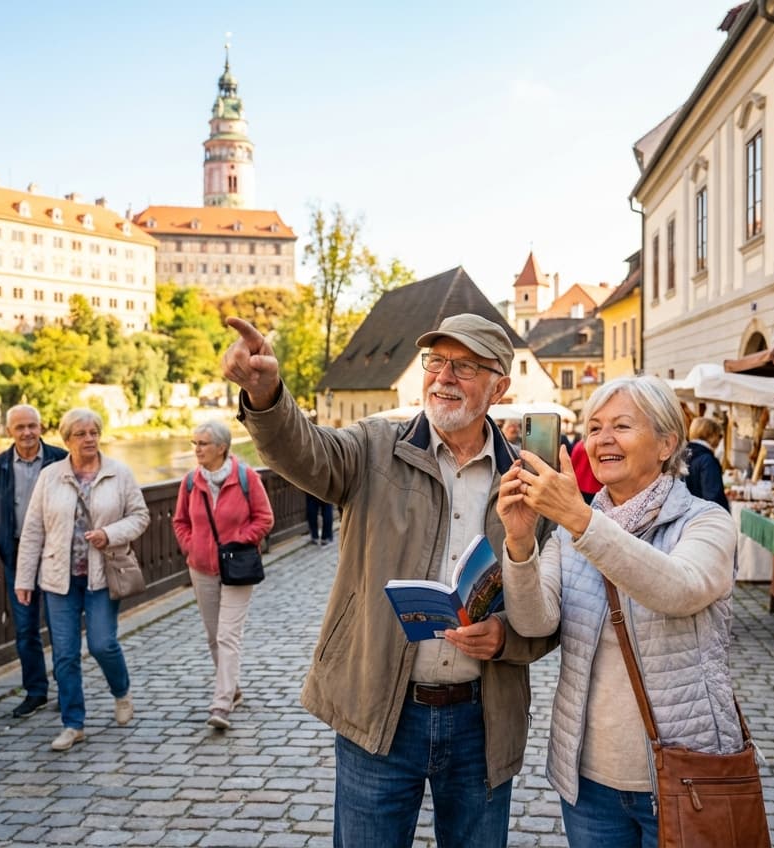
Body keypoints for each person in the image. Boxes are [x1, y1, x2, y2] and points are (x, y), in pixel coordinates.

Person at [221, 312, 556, 848]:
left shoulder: (530, 481)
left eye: (465, 366)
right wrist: (267, 397)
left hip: (482, 719)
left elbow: (553, 605)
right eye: (437, 361)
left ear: (500, 386)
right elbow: (303, 452)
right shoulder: (374, 446)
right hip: (380, 708)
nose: (444, 376)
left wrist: (508, 639)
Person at [497, 376, 744, 847]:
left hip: (685, 774)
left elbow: (678, 589)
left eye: (622, 426)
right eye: (593, 428)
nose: (602, 439)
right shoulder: (573, 533)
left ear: (667, 442)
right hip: (590, 784)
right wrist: (521, 541)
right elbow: (534, 622)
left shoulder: (705, 522)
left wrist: (581, 520)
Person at [15, 408, 149, 752]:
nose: (89, 439)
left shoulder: (119, 473)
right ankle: (73, 724)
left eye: (94, 432)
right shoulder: (50, 476)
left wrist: (110, 532)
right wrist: (24, 579)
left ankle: (121, 691)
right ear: (66, 440)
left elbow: (140, 516)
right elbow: (33, 530)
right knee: (64, 654)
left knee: (103, 643)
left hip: (102, 576)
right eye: (81, 434)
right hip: (58, 578)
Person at [173, 419, 274, 730]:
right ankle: (233, 689)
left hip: (238, 567)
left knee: (227, 635)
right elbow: (180, 521)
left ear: (221, 447)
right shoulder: (191, 482)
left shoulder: (246, 478)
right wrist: (193, 548)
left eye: (203, 443)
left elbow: (265, 518)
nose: (197, 449)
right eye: (195, 443)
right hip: (201, 569)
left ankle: (221, 705)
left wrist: (238, 541)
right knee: (213, 635)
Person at [0, 403, 68, 719]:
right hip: (17, 558)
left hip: (58, 554)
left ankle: (67, 691)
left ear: (41, 426)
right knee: (26, 628)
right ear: (9, 432)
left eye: (32, 425)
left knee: (61, 627)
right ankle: (36, 692)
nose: (28, 432)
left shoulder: (60, 459)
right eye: (20, 427)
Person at [685, 416, 730, 511]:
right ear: (711, 435)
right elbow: (713, 497)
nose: (720, 440)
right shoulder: (707, 460)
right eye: (720, 436)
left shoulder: (682, 455)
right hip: (704, 518)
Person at [570, 438, 602, 505]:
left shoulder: (578, 446)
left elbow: (572, 464)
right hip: (596, 485)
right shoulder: (598, 447)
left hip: (579, 485)